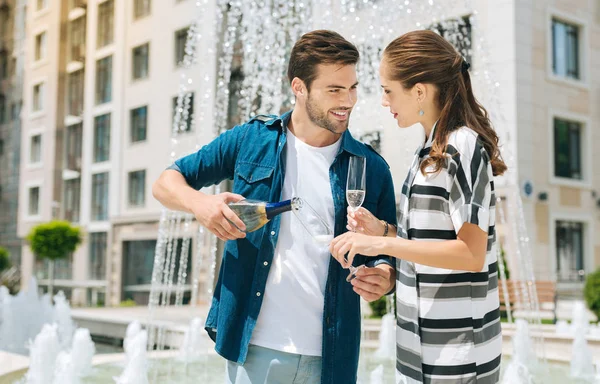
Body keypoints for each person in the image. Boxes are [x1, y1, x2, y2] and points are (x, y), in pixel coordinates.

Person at [152, 30, 398, 384]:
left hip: (331, 355)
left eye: (353, 87)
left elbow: (391, 249)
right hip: (255, 348)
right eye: (334, 89)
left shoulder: (371, 167)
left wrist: (385, 277)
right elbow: (165, 182)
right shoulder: (251, 139)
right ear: (299, 87)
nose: (349, 100)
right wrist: (201, 204)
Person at [330, 30, 506, 384]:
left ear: (420, 91)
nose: (383, 101)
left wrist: (381, 245)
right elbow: (431, 240)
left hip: (457, 359)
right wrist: (382, 230)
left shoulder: (462, 146)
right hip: (418, 354)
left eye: (388, 90)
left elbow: (471, 253)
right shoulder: (429, 150)